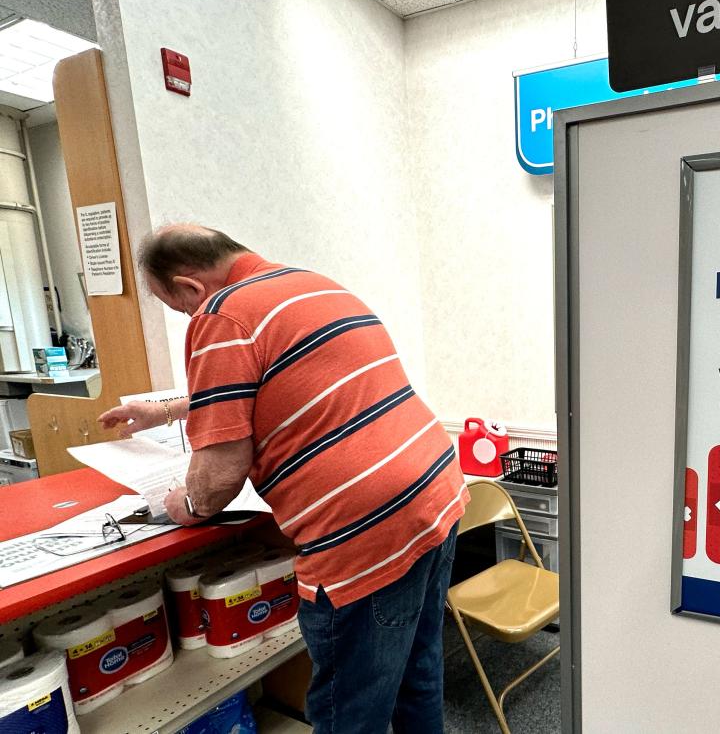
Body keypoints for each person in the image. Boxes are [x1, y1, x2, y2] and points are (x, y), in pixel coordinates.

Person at [99, 224, 468, 734]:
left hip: (366, 531)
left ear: (190, 287)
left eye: (179, 307)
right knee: (417, 674)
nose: (189, 317)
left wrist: (184, 504)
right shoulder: (311, 285)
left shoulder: (221, 312)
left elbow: (221, 474)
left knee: (350, 710)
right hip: (433, 494)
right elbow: (275, 381)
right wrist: (162, 410)